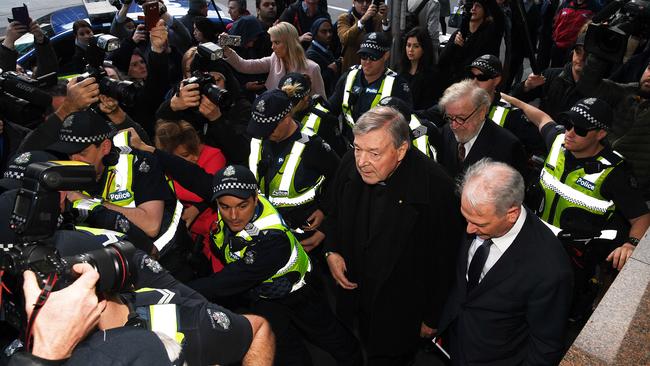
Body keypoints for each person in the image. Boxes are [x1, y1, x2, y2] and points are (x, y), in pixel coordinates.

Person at [322, 106, 462, 364]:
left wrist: (432, 317)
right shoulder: (349, 163)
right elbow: (332, 214)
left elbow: (446, 262)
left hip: (399, 311)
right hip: (353, 298)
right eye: (357, 148)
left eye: (374, 153)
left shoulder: (438, 190)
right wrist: (331, 251)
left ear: (401, 150)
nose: (361, 161)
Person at [501, 94, 650, 317]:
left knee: (554, 313)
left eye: (580, 130)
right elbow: (542, 118)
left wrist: (630, 244)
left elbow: (641, 217)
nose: (569, 133)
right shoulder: (558, 141)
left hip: (573, 260)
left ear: (601, 134)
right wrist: (516, 101)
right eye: (568, 124)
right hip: (532, 242)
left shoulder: (614, 172)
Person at [438, 159, 573, 365]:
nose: (469, 230)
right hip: (455, 344)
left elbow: (545, 346)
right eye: (466, 218)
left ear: (511, 214)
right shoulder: (480, 215)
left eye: (478, 223)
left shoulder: (550, 270)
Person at [46, 110, 193, 281]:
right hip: (114, 266)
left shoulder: (139, 163)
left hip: (168, 264)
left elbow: (151, 225)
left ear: (105, 147)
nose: (74, 160)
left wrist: (87, 202)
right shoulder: (62, 173)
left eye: (82, 153)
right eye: (69, 153)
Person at [154, 119, 226, 273]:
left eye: (196, 150)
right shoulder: (160, 168)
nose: (194, 157)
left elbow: (208, 190)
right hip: (185, 239)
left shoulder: (213, 156)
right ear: (168, 156)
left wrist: (196, 208)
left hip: (216, 232)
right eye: (185, 154)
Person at [576, 52, 650, 201]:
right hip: (597, 174)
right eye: (649, 68)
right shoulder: (629, 92)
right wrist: (601, 51)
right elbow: (588, 86)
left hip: (636, 193)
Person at [329, 32, 413, 144]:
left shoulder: (398, 85)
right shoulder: (349, 76)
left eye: (373, 57)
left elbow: (405, 124)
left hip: (378, 150)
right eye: (363, 56)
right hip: (348, 146)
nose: (367, 62)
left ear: (386, 56)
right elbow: (331, 108)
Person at [434, 80, 527, 179]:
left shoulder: (508, 147)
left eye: (461, 118)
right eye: (449, 117)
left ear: (482, 112)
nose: (454, 125)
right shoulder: (446, 131)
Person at [467, 54, 544, 157]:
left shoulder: (512, 115)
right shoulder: (460, 102)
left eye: (482, 77)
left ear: (496, 80)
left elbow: (538, 148)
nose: (474, 82)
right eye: (471, 76)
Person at [224, 22, 327, 97]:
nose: (272, 47)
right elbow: (244, 66)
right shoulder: (274, 59)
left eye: (276, 43)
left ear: (289, 43)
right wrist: (226, 50)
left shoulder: (312, 68)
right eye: (272, 42)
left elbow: (321, 102)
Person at [511, 32, 587, 121]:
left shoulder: (601, 90)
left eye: (587, 55)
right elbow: (516, 98)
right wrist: (526, 86)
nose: (581, 58)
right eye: (578, 52)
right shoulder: (551, 75)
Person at [438, 0, 505, 88]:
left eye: (478, 6)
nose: (473, 9)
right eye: (471, 6)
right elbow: (442, 61)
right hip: (455, 86)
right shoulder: (459, 34)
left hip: (477, 86)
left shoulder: (490, 33)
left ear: (485, 11)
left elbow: (499, 17)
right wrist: (453, 44)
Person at [281, 72, 347, 155]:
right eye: (284, 101)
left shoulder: (325, 120)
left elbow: (337, 153)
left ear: (305, 97)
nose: (288, 106)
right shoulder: (280, 113)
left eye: (293, 102)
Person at [337, 0, 390, 70]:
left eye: (368, 1)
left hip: (374, 66)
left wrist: (385, 20)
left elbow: (387, 42)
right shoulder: (345, 18)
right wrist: (362, 20)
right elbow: (344, 39)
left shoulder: (377, 18)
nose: (365, 4)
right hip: (352, 66)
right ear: (354, 2)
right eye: (360, 1)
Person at [398, 26, 442, 110]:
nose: (410, 50)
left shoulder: (432, 75)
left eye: (416, 46)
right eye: (408, 45)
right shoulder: (400, 69)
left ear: (424, 48)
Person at [306, 18, 340, 96]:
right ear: (315, 33)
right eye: (323, 32)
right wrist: (330, 70)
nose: (329, 35)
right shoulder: (311, 55)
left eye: (330, 31)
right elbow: (313, 81)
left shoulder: (327, 47)